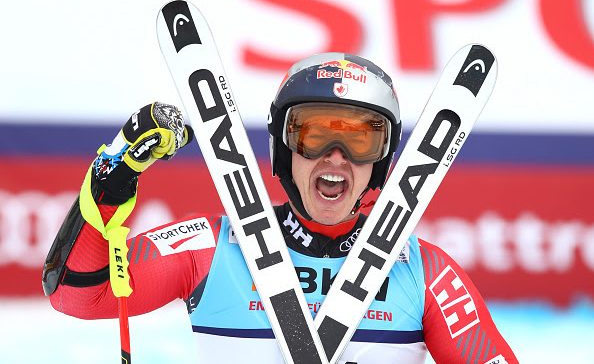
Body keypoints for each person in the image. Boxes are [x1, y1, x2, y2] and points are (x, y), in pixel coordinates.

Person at [42, 53, 517, 363]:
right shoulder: (214, 248)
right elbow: (77, 295)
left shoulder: (426, 271)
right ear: (282, 149)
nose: (336, 157)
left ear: (383, 161)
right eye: (312, 134)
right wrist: (115, 173)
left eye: (359, 139)